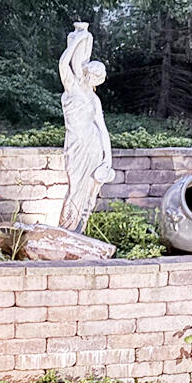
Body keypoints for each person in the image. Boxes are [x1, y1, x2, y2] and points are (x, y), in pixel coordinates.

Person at [58, 23, 116, 233]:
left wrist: (107, 159)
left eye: (95, 78)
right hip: (75, 145)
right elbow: (63, 63)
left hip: (93, 146)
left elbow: (102, 129)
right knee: (74, 188)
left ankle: (80, 230)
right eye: (89, 74)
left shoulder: (94, 99)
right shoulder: (71, 87)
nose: (90, 79)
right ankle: (66, 228)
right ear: (84, 71)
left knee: (90, 193)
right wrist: (75, 42)